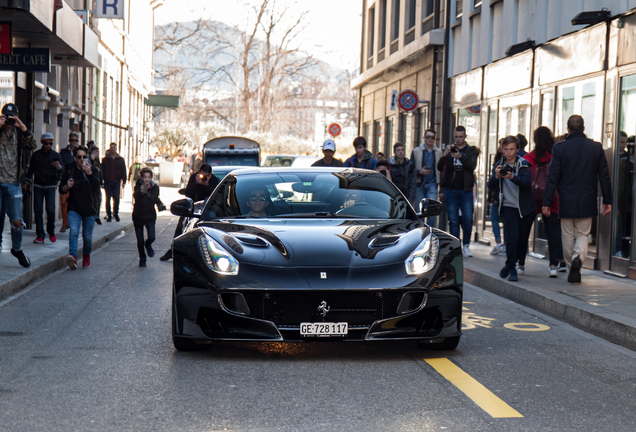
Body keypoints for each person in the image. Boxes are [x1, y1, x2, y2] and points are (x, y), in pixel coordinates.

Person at [543, 115, 612, 284]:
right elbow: (604, 176)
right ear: (584, 128)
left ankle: (570, 266)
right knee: (583, 234)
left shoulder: (559, 148)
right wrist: (607, 200)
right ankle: (578, 259)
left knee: (567, 235)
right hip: (587, 198)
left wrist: (547, 201)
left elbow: (553, 177)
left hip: (566, 198)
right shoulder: (596, 147)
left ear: (568, 129)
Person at [488, 135, 535, 282]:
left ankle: (508, 265)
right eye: (506, 149)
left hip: (525, 208)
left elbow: (526, 183)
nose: (508, 153)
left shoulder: (524, 164)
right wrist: (496, 176)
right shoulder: (498, 164)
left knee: (521, 240)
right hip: (508, 207)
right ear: (501, 149)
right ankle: (512, 269)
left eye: (512, 149)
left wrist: (512, 177)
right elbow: (491, 185)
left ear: (517, 149)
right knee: (512, 238)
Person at [524, 126, 565, 277]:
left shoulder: (529, 158)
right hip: (552, 198)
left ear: (535, 140)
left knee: (524, 231)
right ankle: (553, 265)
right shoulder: (556, 157)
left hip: (532, 199)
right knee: (553, 233)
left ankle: (520, 264)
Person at [0, 103, 36, 267]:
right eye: (7, 117)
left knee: (17, 221)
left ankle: (17, 249)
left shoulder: (20, 134)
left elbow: (33, 145)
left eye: (13, 117)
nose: (9, 121)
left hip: (13, 183)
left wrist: (22, 126)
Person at [160, 164, 219, 261]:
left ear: (210, 175)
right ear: (199, 172)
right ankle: (173, 250)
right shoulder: (194, 178)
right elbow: (188, 193)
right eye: (202, 174)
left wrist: (206, 185)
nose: (204, 177)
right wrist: (196, 183)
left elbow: (214, 196)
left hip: (206, 210)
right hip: (191, 208)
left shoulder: (214, 181)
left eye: (207, 175)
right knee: (180, 228)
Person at [437, 125, 480, 257]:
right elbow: (440, 168)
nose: (458, 139)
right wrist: (445, 155)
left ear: (465, 136)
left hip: (466, 190)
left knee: (467, 218)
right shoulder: (450, 150)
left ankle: (466, 245)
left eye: (461, 137)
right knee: (453, 220)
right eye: (456, 137)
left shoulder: (471, 150)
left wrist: (460, 156)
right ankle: (456, 246)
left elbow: (472, 165)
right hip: (451, 190)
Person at [59, 145, 101, 269]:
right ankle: (73, 257)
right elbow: (61, 189)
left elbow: (97, 186)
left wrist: (89, 173)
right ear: (74, 157)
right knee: (74, 232)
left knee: (87, 237)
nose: (82, 159)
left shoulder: (93, 170)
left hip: (90, 209)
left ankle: (86, 255)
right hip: (74, 207)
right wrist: (67, 186)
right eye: (79, 157)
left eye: (84, 157)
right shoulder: (69, 169)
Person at [25, 132, 63, 244]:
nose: (48, 145)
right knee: (38, 211)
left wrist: (58, 167)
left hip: (51, 185)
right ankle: (40, 235)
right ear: (42, 143)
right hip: (38, 185)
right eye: (46, 143)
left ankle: (51, 231)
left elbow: (62, 171)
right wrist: (27, 181)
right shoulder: (36, 155)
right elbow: (31, 169)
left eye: (50, 143)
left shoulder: (56, 155)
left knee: (50, 210)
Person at [132, 167, 166, 267]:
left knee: (151, 237)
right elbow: (136, 196)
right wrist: (142, 192)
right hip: (138, 216)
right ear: (141, 178)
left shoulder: (155, 187)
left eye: (149, 177)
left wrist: (159, 203)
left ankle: (148, 244)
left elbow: (154, 198)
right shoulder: (138, 186)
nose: (147, 179)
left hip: (150, 216)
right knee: (140, 240)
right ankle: (142, 258)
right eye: (145, 177)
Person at [411, 129, 443, 224]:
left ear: (434, 139)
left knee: (431, 212)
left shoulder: (438, 152)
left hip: (432, 184)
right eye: (428, 137)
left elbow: (440, 170)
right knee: (419, 211)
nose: (430, 139)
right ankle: (420, 233)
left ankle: (430, 232)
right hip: (419, 185)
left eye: (432, 137)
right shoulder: (416, 151)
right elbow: (411, 169)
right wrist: (420, 172)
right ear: (424, 138)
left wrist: (441, 187)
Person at [58, 132, 80, 232]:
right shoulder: (63, 152)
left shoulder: (80, 153)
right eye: (72, 140)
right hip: (66, 179)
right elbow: (61, 166)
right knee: (64, 202)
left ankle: (73, 222)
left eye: (76, 140)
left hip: (77, 181)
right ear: (69, 141)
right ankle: (65, 223)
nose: (74, 142)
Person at [101, 142, 127, 222]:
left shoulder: (120, 159)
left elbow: (123, 170)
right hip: (108, 181)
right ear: (110, 148)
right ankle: (109, 215)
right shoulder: (105, 160)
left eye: (114, 147)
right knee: (108, 199)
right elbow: (102, 171)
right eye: (111, 147)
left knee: (116, 198)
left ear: (116, 148)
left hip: (117, 181)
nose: (113, 149)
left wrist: (124, 181)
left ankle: (116, 213)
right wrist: (101, 181)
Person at [488, 139, 505, 256]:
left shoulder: (499, 162)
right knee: (495, 218)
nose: (500, 147)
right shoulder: (498, 161)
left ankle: (500, 243)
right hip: (497, 196)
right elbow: (492, 182)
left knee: (495, 218)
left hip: (500, 196)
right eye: (499, 144)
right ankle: (499, 243)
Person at [89, 146, 103, 225]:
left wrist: (101, 182)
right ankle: (93, 215)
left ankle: (96, 215)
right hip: (91, 183)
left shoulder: (97, 161)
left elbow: (100, 172)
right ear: (95, 153)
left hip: (97, 183)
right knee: (93, 200)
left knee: (98, 199)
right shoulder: (89, 161)